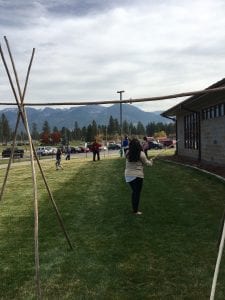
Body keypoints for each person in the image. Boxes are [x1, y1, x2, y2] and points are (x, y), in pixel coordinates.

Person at [125, 138, 153, 215]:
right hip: (137, 176)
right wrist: (151, 161)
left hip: (128, 176)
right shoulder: (141, 154)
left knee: (134, 192)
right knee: (136, 193)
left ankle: (135, 210)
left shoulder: (127, 152)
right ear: (138, 145)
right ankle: (135, 211)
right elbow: (148, 164)